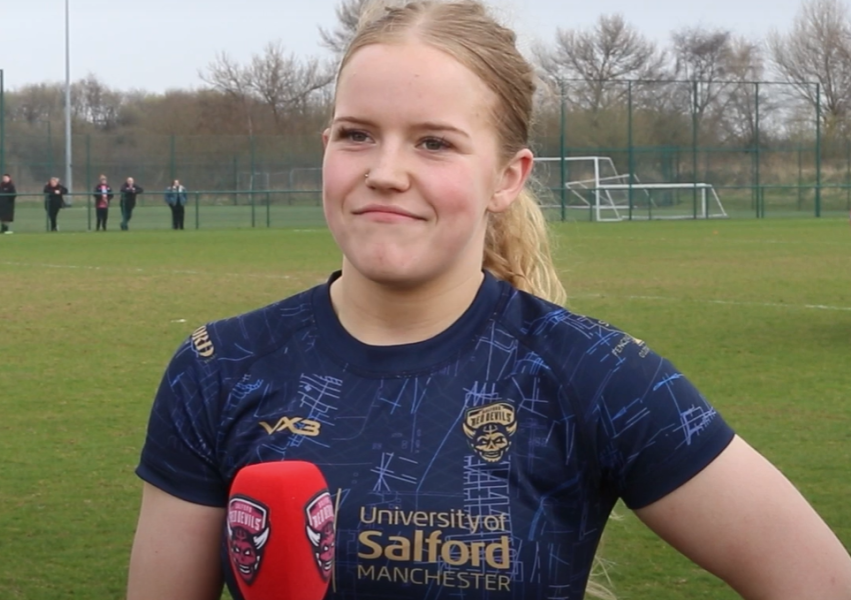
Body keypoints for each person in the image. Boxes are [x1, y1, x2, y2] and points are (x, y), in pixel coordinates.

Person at [127, 2, 851, 600]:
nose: (385, 172)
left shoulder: (594, 374)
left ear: (507, 177)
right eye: (357, 135)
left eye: (434, 143)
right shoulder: (220, 368)